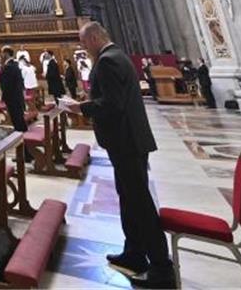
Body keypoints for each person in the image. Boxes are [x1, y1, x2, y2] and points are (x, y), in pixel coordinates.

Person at [60, 22, 174, 288]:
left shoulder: (108, 62)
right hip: (129, 141)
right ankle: (134, 253)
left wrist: (81, 108)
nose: (83, 47)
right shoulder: (118, 56)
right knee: (130, 198)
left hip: (127, 142)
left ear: (96, 37)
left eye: (84, 42)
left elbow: (112, 104)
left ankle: (161, 268)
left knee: (141, 204)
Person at [0, 47, 28, 132]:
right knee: (18, 117)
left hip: (12, 97)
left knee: (16, 118)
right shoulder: (14, 64)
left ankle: (20, 137)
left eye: (2, 53)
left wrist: (3, 97)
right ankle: (22, 134)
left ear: (6, 53)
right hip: (17, 96)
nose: (2, 55)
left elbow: (7, 84)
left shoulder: (9, 66)